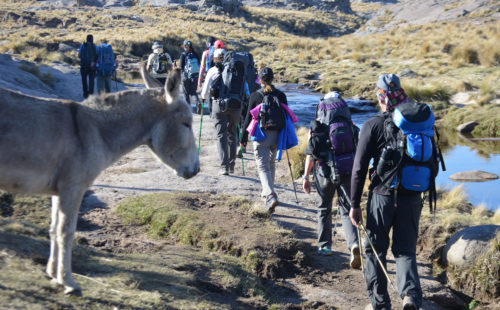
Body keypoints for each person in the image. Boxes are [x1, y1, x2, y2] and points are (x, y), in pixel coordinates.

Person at [349, 74, 423, 310]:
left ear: (381, 96)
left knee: (374, 248)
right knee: (405, 250)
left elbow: (359, 168)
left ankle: (380, 303)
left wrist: (354, 203)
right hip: (411, 197)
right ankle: (410, 296)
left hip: (381, 197)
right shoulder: (418, 124)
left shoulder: (373, 125)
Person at [302, 92, 361, 264]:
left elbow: (310, 154)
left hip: (325, 172)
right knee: (347, 209)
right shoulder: (350, 125)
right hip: (348, 171)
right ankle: (354, 244)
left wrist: (306, 177)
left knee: (324, 208)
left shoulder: (317, 127)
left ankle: (325, 246)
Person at [240, 67, 288, 212]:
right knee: (271, 163)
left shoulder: (255, 96)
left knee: (262, 166)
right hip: (277, 135)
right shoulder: (281, 95)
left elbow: (248, 118)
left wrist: (243, 138)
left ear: (260, 80)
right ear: (273, 79)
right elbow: (287, 117)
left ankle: (270, 195)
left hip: (261, 135)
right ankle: (267, 192)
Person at [179, 40, 202, 114]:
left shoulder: (183, 54)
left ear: (184, 46)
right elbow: (200, 64)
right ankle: (197, 102)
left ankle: (187, 110)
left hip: (186, 77)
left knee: (186, 94)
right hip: (195, 76)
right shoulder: (195, 54)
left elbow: (181, 67)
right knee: (193, 92)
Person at [78, 34, 97, 98]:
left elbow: (79, 56)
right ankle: (91, 95)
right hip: (92, 67)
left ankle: (85, 94)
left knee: (84, 81)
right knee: (91, 81)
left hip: (83, 66)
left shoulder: (82, 46)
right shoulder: (94, 46)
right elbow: (97, 55)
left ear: (86, 39)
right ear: (92, 39)